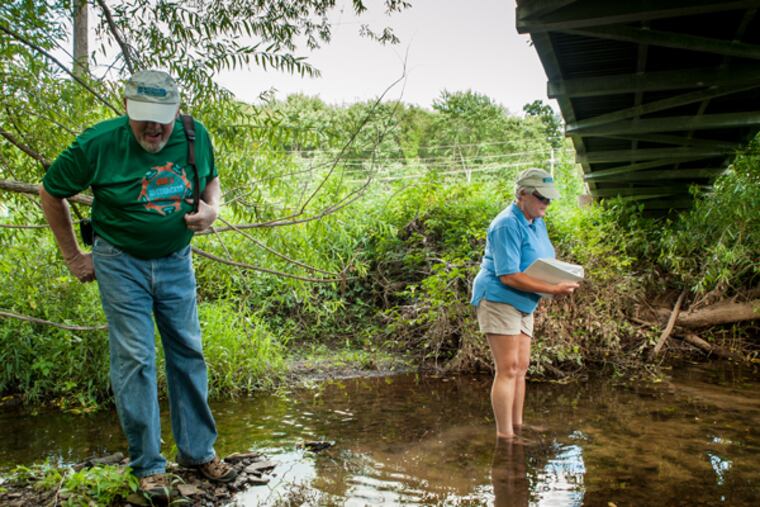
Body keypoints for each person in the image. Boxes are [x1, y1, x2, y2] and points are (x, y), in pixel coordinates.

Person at [39, 70, 236, 497]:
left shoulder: (193, 134)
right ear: (127, 108)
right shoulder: (98, 143)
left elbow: (211, 180)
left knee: (188, 349)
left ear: (176, 111)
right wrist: (74, 256)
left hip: (175, 259)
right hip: (119, 261)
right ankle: (148, 466)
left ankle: (198, 452)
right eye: (143, 117)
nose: (153, 127)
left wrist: (212, 210)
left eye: (161, 118)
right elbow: (51, 191)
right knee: (135, 358)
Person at [471, 168, 579, 440]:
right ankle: (505, 436)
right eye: (542, 198)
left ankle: (518, 426)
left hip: (523, 301)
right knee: (507, 368)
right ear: (522, 194)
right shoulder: (506, 224)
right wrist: (553, 289)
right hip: (498, 297)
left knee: (522, 366)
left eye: (549, 199)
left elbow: (540, 259)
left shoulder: (536, 220)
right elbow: (508, 275)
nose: (546, 204)